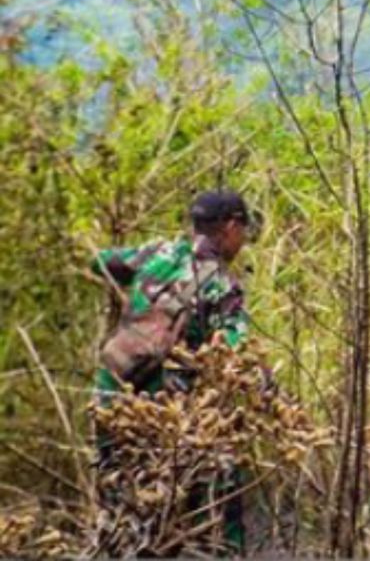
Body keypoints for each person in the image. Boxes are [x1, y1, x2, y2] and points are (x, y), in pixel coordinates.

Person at [92, 189, 258, 554]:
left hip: (109, 396)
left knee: (118, 511)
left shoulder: (155, 254)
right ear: (230, 227)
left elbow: (100, 262)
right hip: (162, 417)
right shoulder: (223, 286)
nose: (244, 238)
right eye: (244, 228)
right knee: (223, 486)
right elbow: (236, 356)